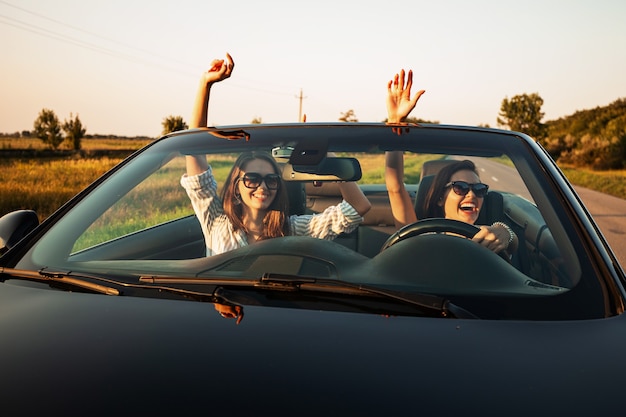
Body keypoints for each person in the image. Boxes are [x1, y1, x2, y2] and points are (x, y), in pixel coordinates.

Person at [181, 53, 371, 255]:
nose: (263, 187)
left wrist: (323, 152)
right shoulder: (218, 224)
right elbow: (194, 153)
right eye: (252, 179)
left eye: (271, 180)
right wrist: (205, 84)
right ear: (236, 187)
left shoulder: (293, 229)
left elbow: (358, 207)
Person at [384, 69, 517, 255]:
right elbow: (395, 186)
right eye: (460, 187)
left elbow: (512, 243)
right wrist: (395, 123)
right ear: (440, 198)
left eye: (479, 189)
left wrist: (505, 233)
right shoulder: (419, 238)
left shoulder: (491, 240)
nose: (471, 194)